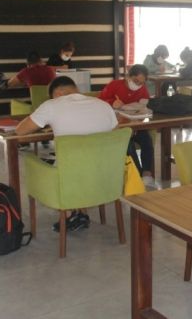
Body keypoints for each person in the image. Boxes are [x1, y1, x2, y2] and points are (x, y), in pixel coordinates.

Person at [15, 75, 119, 232]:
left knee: (44, 161)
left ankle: (70, 214)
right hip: (104, 175)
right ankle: (80, 213)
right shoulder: (103, 105)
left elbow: (20, 130)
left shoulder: (51, 105)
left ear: (57, 94)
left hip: (69, 177)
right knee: (80, 159)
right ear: (76, 89)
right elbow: (115, 134)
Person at [98, 64, 156, 187]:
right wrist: (112, 102)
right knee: (128, 145)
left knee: (147, 140)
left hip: (135, 124)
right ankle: (137, 175)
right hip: (117, 126)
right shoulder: (115, 85)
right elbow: (99, 101)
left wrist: (143, 108)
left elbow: (145, 102)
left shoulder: (142, 89)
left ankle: (147, 173)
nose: (138, 85)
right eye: (136, 81)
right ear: (128, 76)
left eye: (142, 83)